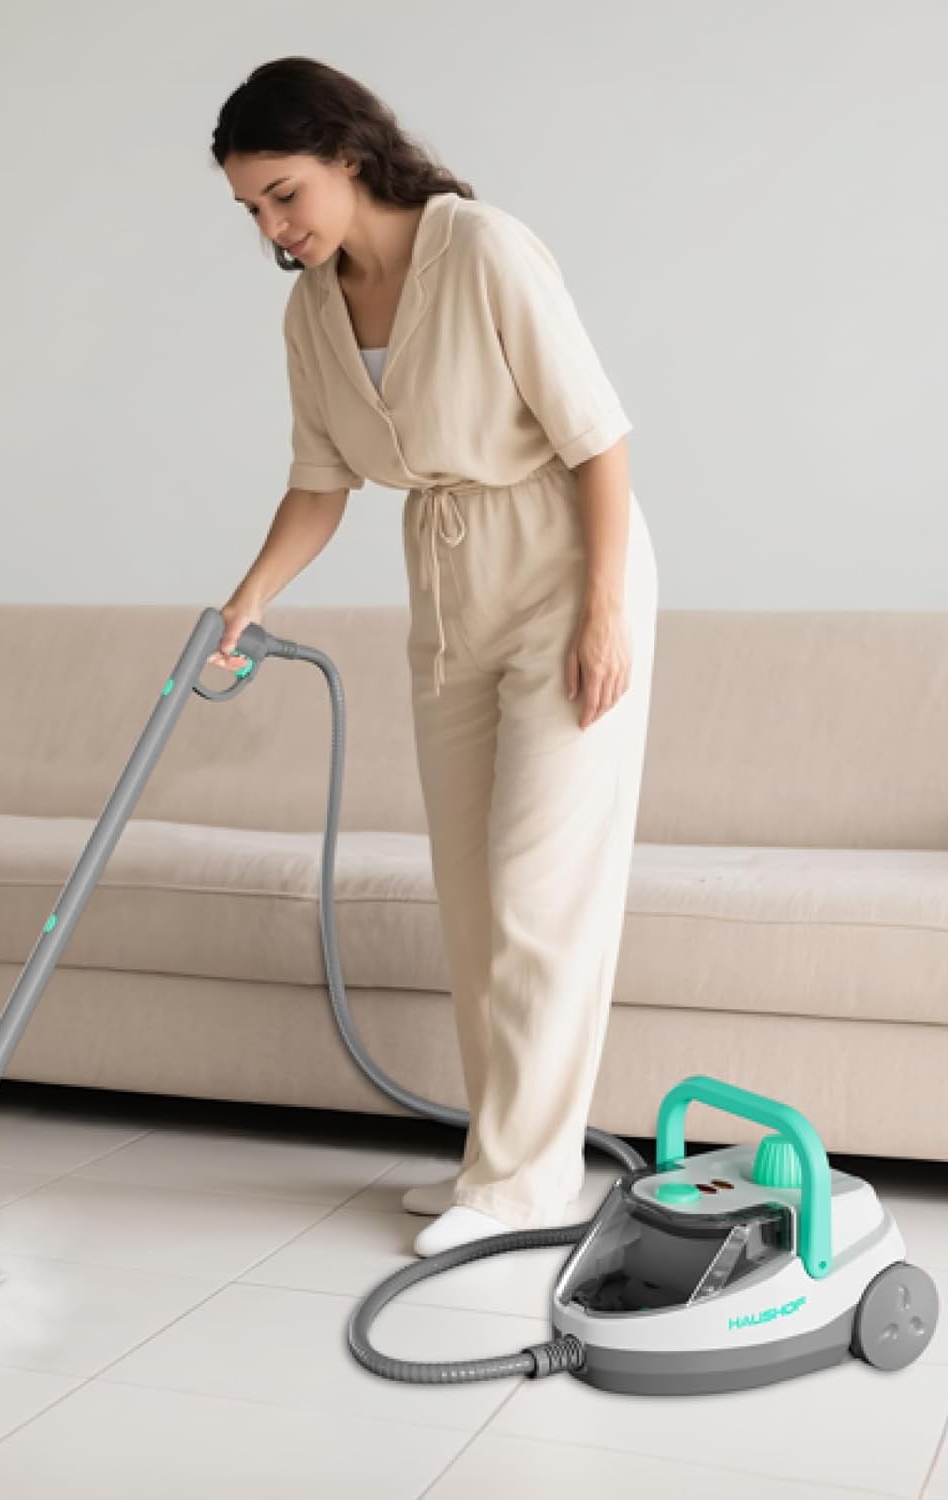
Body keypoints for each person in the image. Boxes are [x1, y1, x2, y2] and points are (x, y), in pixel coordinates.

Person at [210, 58, 659, 1257]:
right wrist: (245, 600)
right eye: (251, 208)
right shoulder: (311, 314)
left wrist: (605, 611)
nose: (273, 227)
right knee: (471, 895)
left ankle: (527, 1184)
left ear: (350, 156)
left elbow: (600, 442)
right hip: (449, 594)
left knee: (538, 888)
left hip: (566, 570)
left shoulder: (482, 249)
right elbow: (321, 484)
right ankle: (495, 1166)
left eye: (285, 194)